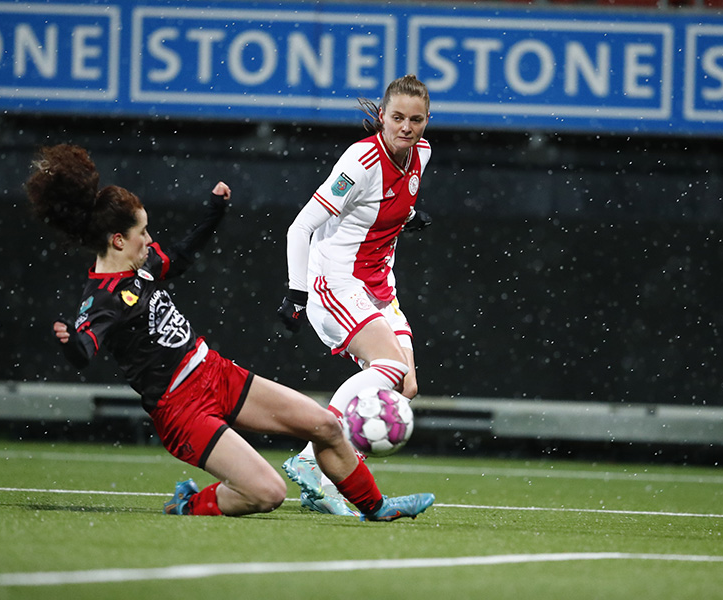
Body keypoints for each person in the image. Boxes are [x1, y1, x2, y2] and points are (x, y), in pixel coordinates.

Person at [25, 143, 433, 521]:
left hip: (215, 373)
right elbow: (85, 348)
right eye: (142, 233)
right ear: (117, 240)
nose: (149, 241)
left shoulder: (142, 267)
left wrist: (213, 212)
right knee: (267, 493)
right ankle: (190, 504)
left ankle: (376, 508)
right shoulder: (103, 298)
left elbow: (181, 256)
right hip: (181, 409)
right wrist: (71, 342)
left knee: (326, 425)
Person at [277, 75, 433, 516]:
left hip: (382, 287)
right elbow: (301, 227)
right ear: (382, 116)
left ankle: (313, 469)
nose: (406, 127)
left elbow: (380, 208)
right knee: (388, 366)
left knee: (407, 385)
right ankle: (316, 462)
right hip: (337, 281)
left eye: (415, 119)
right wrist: (296, 291)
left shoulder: (421, 154)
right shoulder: (360, 162)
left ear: (426, 122)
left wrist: (407, 218)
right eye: (397, 117)